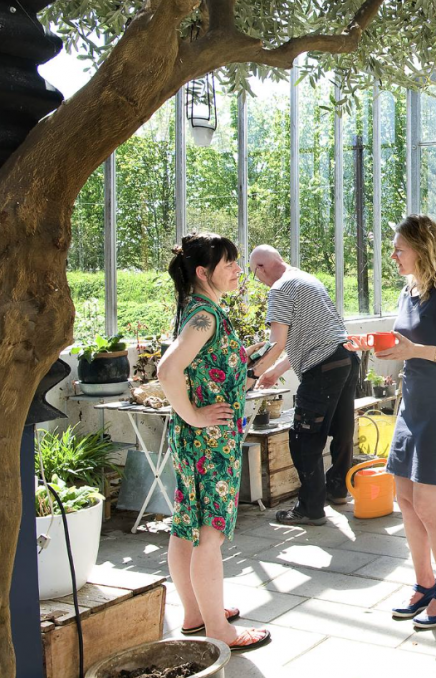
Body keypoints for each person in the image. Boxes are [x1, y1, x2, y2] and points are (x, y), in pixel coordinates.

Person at [346, 214, 436, 629]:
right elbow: (408, 344)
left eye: (399, 248)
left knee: (428, 505)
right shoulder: (410, 293)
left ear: (422, 249)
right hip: (412, 407)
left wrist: (416, 351)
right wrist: (379, 348)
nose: (393, 255)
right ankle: (424, 583)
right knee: (404, 501)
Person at [158, 232, 271, 651]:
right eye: (229, 264)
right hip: (210, 440)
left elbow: (203, 370)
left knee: (186, 524)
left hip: (195, 438)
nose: (238, 270)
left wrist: (250, 367)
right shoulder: (205, 317)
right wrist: (196, 415)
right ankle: (217, 630)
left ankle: (195, 614)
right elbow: (167, 372)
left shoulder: (196, 309)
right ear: (203, 272)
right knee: (210, 532)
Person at [248, 245, 359, 526]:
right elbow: (312, 338)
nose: (257, 280)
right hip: (345, 358)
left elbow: (276, 342)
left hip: (323, 368)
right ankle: (337, 489)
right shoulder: (306, 279)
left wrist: (250, 374)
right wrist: (273, 372)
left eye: (254, 273)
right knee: (343, 430)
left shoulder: (280, 289)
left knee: (303, 437)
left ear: (261, 268)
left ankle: (310, 508)